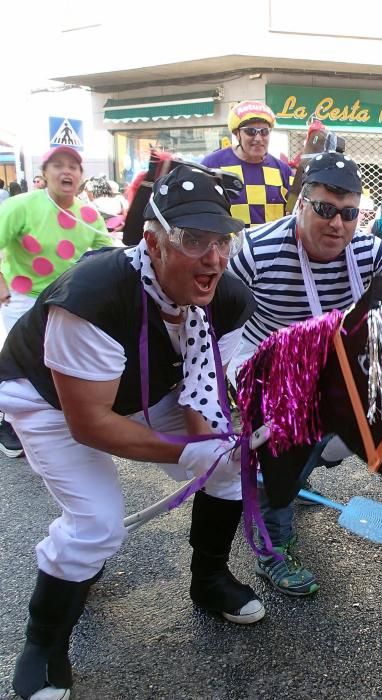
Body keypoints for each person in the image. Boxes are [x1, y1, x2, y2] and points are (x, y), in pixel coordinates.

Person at [0, 164, 263, 700]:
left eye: (222, 240)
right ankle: (42, 645)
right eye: (193, 240)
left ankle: (209, 579)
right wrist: (186, 451)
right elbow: (91, 423)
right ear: (153, 241)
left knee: (228, 469)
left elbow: (203, 389)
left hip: (147, 389)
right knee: (98, 523)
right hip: (50, 401)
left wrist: (211, 449)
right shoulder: (95, 296)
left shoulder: (230, 298)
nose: (214, 257)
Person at [227, 151, 382, 596]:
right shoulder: (257, 251)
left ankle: (304, 471)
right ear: (302, 203)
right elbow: (210, 316)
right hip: (265, 370)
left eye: (349, 213)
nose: (337, 224)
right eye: (324, 209)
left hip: (330, 369)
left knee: (369, 404)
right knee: (283, 446)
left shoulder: (368, 249)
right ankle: (272, 546)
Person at [0, 146, 113, 459]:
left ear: (81, 177)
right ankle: (8, 420)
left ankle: (59, 421)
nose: (67, 172)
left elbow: (107, 253)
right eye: (58, 166)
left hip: (66, 301)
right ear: (44, 173)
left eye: (74, 167)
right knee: (23, 364)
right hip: (23, 297)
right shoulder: (20, 206)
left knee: (61, 363)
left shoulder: (88, 214)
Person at [201, 100, 293, 227]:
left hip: (271, 246)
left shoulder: (283, 170)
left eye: (264, 132)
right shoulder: (213, 164)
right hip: (231, 245)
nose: (259, 138)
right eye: (251, 131)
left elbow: (295, 212)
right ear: (236, 133)